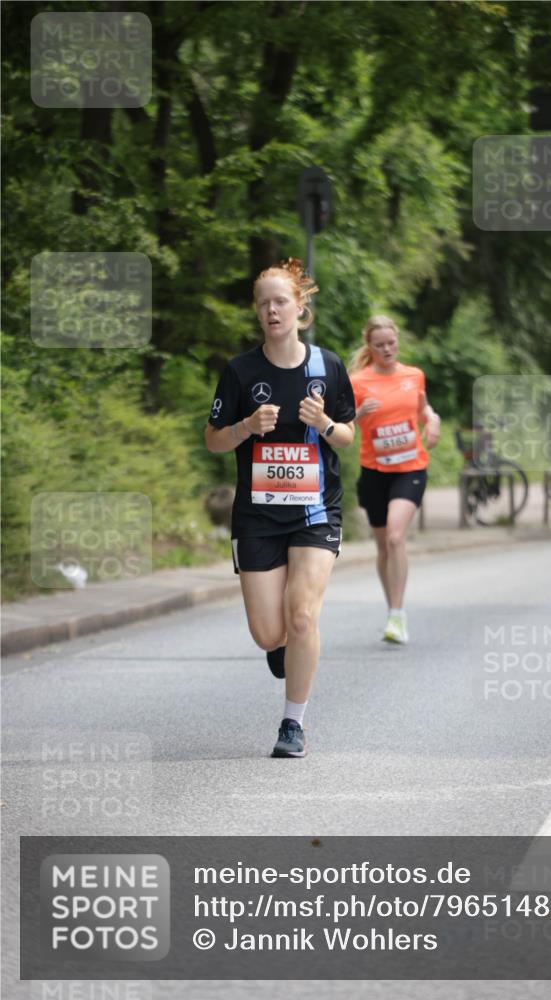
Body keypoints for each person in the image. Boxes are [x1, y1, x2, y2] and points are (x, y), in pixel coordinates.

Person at [205, 259, 356, 758]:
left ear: (299, 308)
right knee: (268, 632)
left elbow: (348, 436)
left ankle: (293, 724)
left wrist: (326, 423)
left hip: (315, 510)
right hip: (257, 515)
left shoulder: (327, 367)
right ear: (257, 311)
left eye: (280, 302)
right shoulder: (241, 371)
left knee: (302, 617)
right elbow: (213, 440)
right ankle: (282, 651)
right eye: (264, 303)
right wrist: (246, 427)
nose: (272, 310)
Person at [349, 315, 441, 644]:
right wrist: (359, 415)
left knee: (395, 537)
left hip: (410, 468)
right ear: (370, 347)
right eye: (379, 345)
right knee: (383, 547)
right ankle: (392, 610)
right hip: (374, 472)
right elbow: (344, 426)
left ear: (397, 341)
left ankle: (398, 615)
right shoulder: (358, 382)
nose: (387, 349)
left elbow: (422, 410)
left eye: (391, 343)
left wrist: (432, 420)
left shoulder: (413, 376)